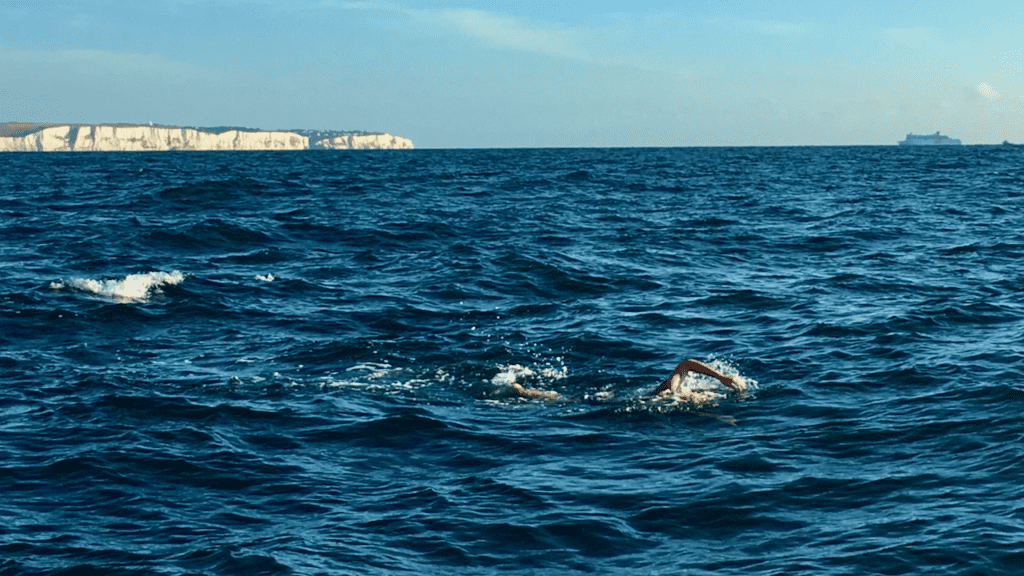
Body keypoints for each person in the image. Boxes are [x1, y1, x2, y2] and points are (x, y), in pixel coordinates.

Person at [507, 358, 741, 400]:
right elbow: (686, 364)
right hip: (611, 401)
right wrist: (720, 377)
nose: (703, 395)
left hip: (620, 396)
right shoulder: (671, 392)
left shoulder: (677, 396)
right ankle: (522, 391)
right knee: (564, 399)